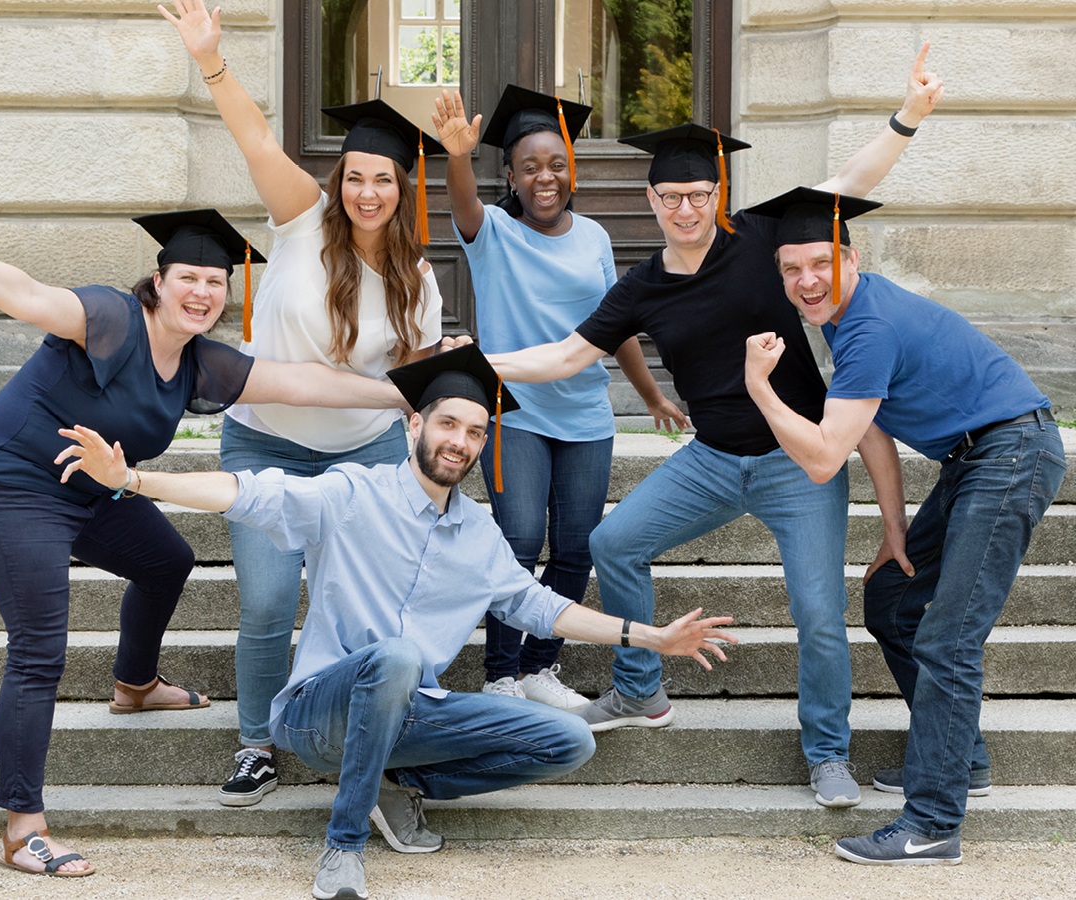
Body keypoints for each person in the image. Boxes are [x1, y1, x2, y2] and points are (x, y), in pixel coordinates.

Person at [55, 345, 738, 900]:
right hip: (315, 712)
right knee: (400, 656)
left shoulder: (479, 533)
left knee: (568, 740)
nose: (461, 442)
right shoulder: (352, 493)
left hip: (411, 714)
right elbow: (248, 492)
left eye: (476, 432)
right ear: (415, 426)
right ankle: (343, 846)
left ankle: (395, 785)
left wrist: (651, 638)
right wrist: (135, 481)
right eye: (448, 425)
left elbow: (541, 608)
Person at [0, 179, 412, 877]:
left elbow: (305, 383)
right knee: (39, 645)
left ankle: (133, 685)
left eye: (215, 282)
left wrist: (410, 392)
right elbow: (26, 293)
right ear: (157, 282)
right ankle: (22, 827)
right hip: (10, 481)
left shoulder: (199, 363)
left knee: (166, 560)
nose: (202, 291)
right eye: (188, 277)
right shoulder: (110, 315)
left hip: (91, 485)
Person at [482, 44, 943, 809]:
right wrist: (475, 366)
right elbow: (565, 357)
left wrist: (907, 117)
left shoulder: (766, 244)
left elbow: (849, 183)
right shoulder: (641, 288)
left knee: (820, 612)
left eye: (700, 193)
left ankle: (827, 751)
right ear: (653, 200)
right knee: (612, 543)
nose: (687, 208)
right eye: (673, 197)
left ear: (716, 191)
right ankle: (640, 689)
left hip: (799, 463)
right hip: (712, 458)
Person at [161, 0, 449, 808]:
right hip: (267, 447)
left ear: (401, 187)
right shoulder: (300, 222)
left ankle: (356, 729)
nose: (366, 192)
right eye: (355, 176)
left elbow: (416, 382)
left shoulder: (417, 282)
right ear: (341, 181)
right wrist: (211, 61)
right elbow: (254, 136)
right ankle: (258, 740)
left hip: (367, 457)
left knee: (360, 605)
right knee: (264, 602)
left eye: (382, 180)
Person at [743, 186, 1066, 865]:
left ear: (850, 259)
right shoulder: (847, 311)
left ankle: (932, 822)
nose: (806, 282)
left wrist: (761, 389)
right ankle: (959, 758)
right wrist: (895, 528)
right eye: (791, 269)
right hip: (975, 459)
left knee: (949, 637)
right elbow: (874, 431)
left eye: (820, 264)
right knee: (892, 600)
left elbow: (827, 455)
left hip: (1011, 456)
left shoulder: (867, 327)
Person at [431, 84, 684, 710]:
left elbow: (613, 323)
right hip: (513, 411)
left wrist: (651, 393)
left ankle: (541, 668)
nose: (546, 178)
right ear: (512, 178)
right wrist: (457, 155)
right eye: (530, 168)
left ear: (572, 169)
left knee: (575, 546)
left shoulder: (595, 237)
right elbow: (462, 205)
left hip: (585, 413)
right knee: (516, 542)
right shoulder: (490, 233)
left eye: (557, 164)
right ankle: (500, 673)